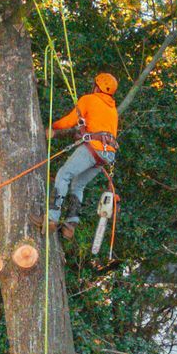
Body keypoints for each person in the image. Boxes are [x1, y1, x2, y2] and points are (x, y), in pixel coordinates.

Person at [46, 72, 118, 239]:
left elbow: (70, 121)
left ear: (97, 86)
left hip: (94, 149)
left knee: (64, 175)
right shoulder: (112, 109)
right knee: (78, 185)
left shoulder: (89, 99)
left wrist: (53, 127)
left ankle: (52, 218)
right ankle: (71, 223)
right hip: (107, 155)